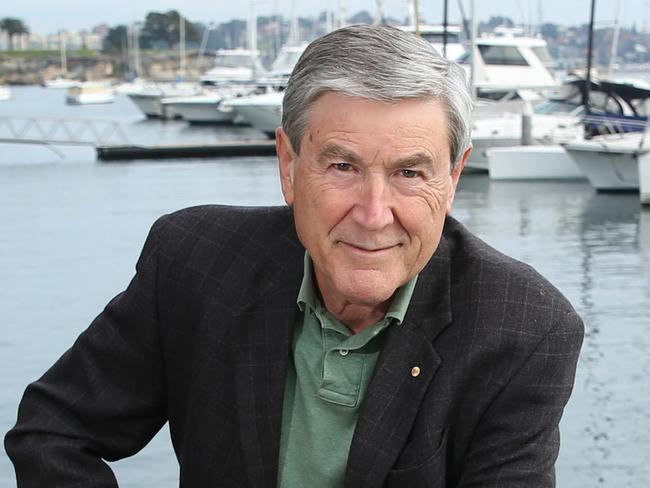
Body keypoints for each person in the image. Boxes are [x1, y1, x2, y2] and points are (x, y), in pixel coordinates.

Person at [5, 24, 583, 487]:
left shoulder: (526, 328)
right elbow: (54, 432)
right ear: (287, 164)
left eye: (410, 173)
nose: (374, 212)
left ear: (453, 177)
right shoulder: (194, 260)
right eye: (342, 167)